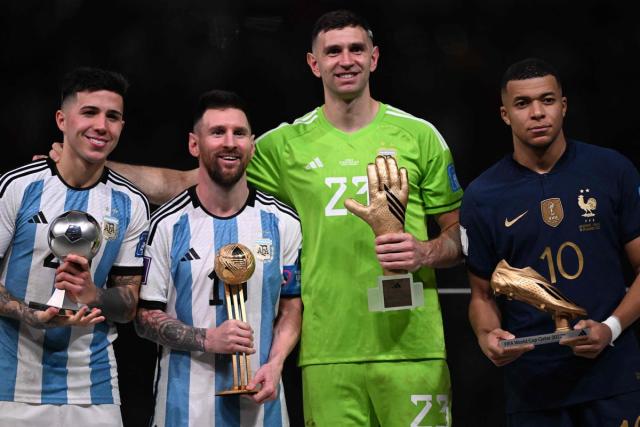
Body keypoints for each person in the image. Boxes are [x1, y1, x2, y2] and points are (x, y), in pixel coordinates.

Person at [49, 10, 463, 426]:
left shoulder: (419, 136)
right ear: (314, 64)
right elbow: (189, 181)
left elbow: (459, 236)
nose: (346, 60)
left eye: (357, 49)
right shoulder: (285, 146)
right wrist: (89, 165)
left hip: (413, 345)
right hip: (327, 353)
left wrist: (424, 251)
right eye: (333, 51)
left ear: (374, 58)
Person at [460, 57, 640, 426]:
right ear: (505, 114)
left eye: (547, 100)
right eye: (523, 104)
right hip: (533, 388)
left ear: (564, 105)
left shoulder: (611, 170)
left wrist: (611, 328)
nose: (537, 113)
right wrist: (486, 336)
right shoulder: (482, 196)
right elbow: (481, 296)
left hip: (613, 378)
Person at [133, 90, 302, 427]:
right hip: (183, 411)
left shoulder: (283, 222)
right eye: (217, 132)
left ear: (252, 145)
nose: (229, 142)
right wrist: (208, 339)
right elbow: (144, 317)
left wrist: (276, 363)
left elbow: (291, 306)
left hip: (261, 408)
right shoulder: (166, 224)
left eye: (239, 133)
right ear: (194, 145)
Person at [0, 67, 150, 426]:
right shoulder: (17, 188)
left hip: (92, 388)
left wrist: (94, 294)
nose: (102, 125)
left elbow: (127, 305)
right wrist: (27, 313)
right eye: (90, 112)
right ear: (62, 120)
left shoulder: (131, 204)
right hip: (10, 383)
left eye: (112, 117)